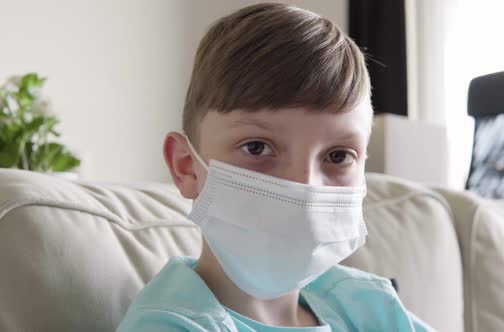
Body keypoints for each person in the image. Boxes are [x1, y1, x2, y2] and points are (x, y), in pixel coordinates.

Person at [117, 3, 434, 331]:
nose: (305, 187)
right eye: (257, 147)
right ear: (187, 167)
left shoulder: (368, 305)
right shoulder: (168, 325)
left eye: (338, 156)